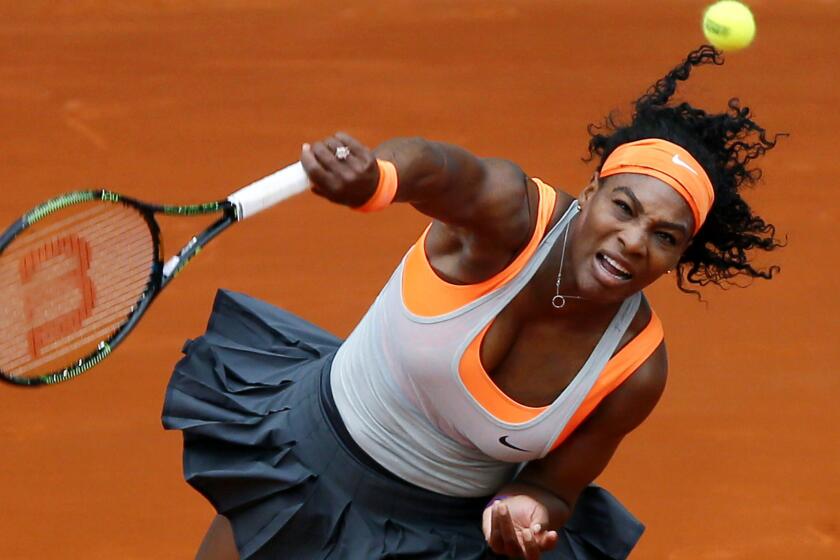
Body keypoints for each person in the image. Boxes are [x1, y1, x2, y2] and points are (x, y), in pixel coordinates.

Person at [162, 46, 783, 560]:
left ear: (679, 256)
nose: (633, 241)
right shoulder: (511, 217)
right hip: (314, 461)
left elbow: (555, 487)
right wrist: (377, 179)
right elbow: (439, 170)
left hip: (437, 538)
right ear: (592, 191)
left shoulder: (635, 369)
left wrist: (527, 506)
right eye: (624, 208)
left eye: (664, 237)